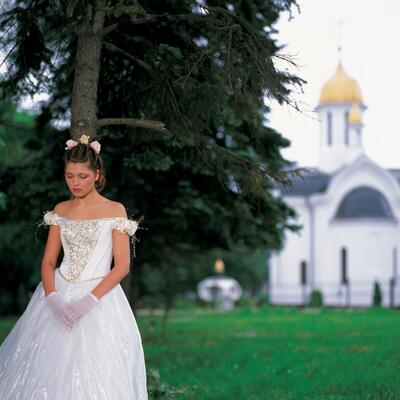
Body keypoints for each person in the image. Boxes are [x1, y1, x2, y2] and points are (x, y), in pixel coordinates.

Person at [0, 134, 148, 399]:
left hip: (99, 299)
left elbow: (122, 265)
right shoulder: (61, 209)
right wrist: (53, 297)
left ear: (97, 174)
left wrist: (88, 301)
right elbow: (48, 261)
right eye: (69, 176)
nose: (75, 183)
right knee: (45, 368)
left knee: (99, 370)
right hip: (58, 293)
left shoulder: (115, 209)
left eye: (82, 176)